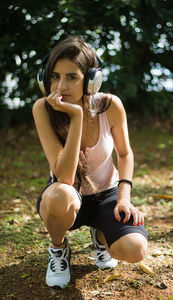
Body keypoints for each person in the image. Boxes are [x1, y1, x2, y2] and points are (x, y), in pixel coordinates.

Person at [32, 35, 148, 289]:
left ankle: (101, 232)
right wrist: (76, 118)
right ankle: (58, 248)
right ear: (45, 78)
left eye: (71, 77)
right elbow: (63, 176)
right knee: (58, 195)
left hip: (106, 194)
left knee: (135, 249)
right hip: (68, 195)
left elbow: (125, 154)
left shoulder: (110, 106)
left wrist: (124, 198)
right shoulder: (42, 108)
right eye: (54, 76)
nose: (60, 86)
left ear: (92, 80)